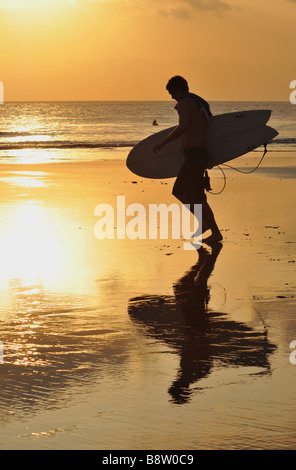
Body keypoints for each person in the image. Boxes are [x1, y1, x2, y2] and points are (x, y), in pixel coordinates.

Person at [153, 75, 222, 243]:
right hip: (194, 154)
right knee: (179, 190)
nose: (171, 97)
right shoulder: (196, 102)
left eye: (171, 93)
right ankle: (204, 222)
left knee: (197, 196)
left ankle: (215, 231)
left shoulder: (185, 103)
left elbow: (183, 127)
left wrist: (163, 143)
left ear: (177, 90)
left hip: (195, 153)